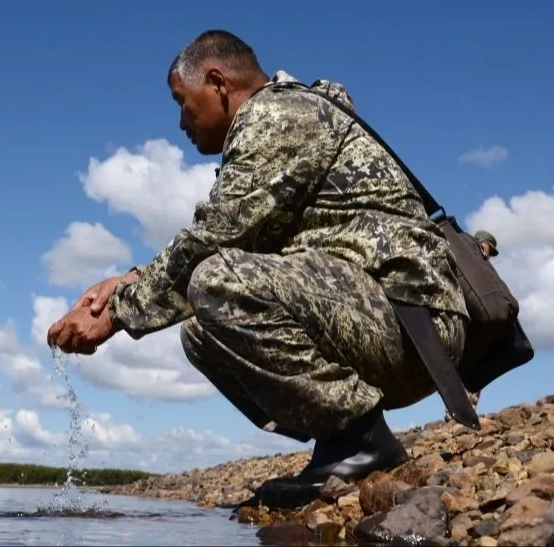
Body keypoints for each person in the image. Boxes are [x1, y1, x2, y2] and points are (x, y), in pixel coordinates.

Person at [47, 30, 469, 502]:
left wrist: (119, 313)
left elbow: (217, 237)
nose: (180, 121)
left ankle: (362, 441)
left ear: (217, 82)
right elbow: (234, 234)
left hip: (411, 324)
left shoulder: (278, 115)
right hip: (381, 321)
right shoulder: (280, 121)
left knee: (217, 280)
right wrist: (129, 280)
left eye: (181, 102)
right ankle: (337, 438)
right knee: (201, 331)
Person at [442, 230, 499, 421]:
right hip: (462, 325)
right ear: (480, 244)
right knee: (463, 369)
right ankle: (458, 415)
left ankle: (459, 415)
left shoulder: (474, 266)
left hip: (469, 327)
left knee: (469, 372)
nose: (488, 256)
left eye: (489, 253)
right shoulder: (465, 262)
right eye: (487, 250)